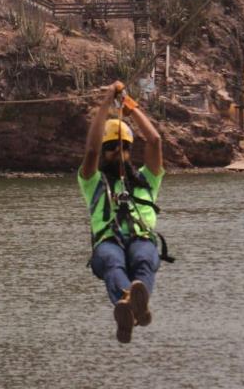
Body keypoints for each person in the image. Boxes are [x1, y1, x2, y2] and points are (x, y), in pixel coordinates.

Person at [78, 80, 170, 344]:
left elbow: (154, 140)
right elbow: (92, 149)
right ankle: (130, 301)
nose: (119, 151)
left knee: (144, 256)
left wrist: (130, 107)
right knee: (111, 261)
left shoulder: (146, 180)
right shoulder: (92, 181)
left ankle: (131, 304)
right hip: (108, 244)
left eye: (125, 147)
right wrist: (107, 101)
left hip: (140, 239)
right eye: (112, 147)